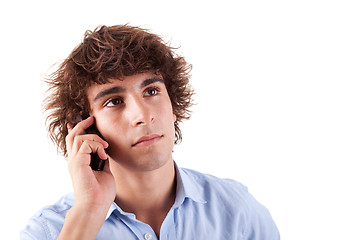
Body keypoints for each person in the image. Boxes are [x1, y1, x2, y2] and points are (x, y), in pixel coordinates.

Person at [20, 24, 280, 240]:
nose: (143, 116)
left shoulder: (236, 211)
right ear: (84, 126)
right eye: (114, 101)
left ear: (173, 104)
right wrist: (88, 213)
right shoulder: (48, 232)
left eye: (152, 91)